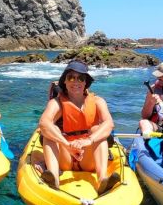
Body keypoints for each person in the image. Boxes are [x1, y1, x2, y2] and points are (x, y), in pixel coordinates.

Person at [38, 60, 120, 195]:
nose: (75, 82)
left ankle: (102, 180)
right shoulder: (56, 103)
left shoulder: (98, 101)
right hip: (66, 157)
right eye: (71, 77)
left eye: (80, 78)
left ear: (85, 82)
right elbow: (44, 123)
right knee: (51, 131)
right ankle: (54, 179)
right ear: (64, 81)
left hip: (87, 157)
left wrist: (88, 141)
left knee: (97, 130)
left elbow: (109, 124)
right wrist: (67, 145)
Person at [139, 61, 163, 136]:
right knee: (143, 122)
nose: (157, 77)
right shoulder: (153, 89)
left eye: (161, 75)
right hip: (159, 127)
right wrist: (151, 103)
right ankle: (149, 142)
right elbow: (144, 116)